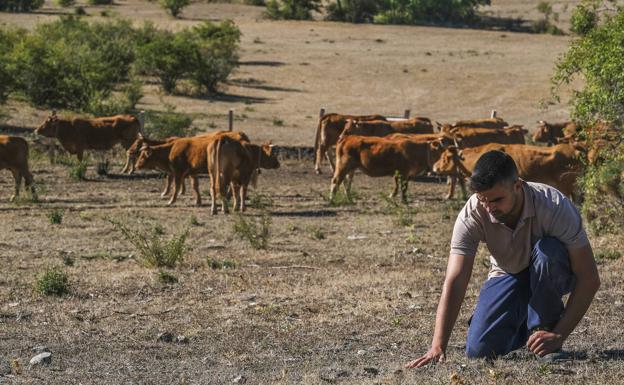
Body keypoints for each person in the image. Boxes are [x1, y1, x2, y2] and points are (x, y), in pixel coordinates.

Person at [406, 150, 600, 367]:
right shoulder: (472, 213)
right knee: (479, 350)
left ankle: (544, 331)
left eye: (497, 199)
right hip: (509, 273)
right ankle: (527, 330)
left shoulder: (554, 205)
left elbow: (589, 277)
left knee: (548, 253)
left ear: (518, 186)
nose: (489, 208)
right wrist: (437, 345)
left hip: (553, 271)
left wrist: (560, 334)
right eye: (483, 200)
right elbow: (456, 279)